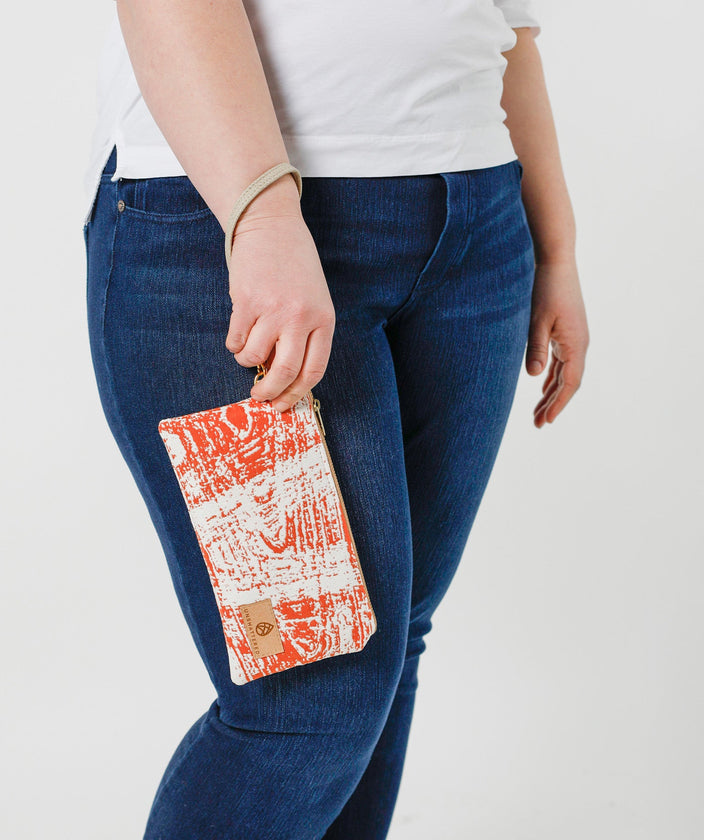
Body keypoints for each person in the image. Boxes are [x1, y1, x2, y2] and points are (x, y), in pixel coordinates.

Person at [81, 1, 589, 837]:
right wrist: (263, 216)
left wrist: (557, 248)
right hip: (230, 223)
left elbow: (511, 34)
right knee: (311, 692)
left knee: (389, 651)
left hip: (478, 232)